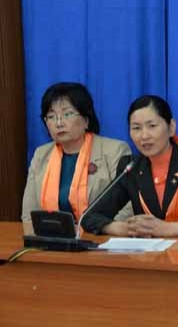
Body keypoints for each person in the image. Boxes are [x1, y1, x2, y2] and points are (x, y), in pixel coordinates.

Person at [81, 95, 178, 237]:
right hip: (149, 253)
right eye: (136, 128)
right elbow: (89, 217)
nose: (144, 135)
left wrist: (173, 228)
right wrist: (121, 228)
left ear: (171, 127)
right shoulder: (131, 168)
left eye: (152, 126)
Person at [22, 82, 132, 235]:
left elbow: (128, 206)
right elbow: (29, 214)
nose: (59, 123)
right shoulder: (41, 154)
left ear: (86, 120)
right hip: (52, 240)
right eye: (51, 117)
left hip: (100, 239)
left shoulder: (114, 151)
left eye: (67, 114)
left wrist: (98, 232)